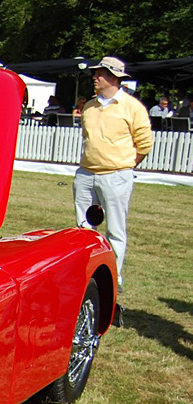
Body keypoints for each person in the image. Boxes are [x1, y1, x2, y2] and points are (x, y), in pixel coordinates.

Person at [73, 56, 152, 300]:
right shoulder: (89, 107)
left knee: (115, 230)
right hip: (86, 174)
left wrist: (123, 166)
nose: (95, 77)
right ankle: (86, 274)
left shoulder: (132, 107)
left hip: (116, 176)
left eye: (100, 73)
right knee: (84, 229)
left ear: (113, 77)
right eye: (95, 73)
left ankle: (114, 278)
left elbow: (144, 144)